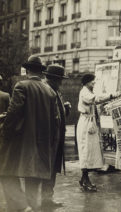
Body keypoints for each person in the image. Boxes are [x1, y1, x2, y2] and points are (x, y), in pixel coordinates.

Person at [0, 56, 58, 212]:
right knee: (33, 180)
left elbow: (14, 113)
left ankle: (22, 207)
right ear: (41, 71)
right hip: (42, 145)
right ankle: (31, 207)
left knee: (5, 172)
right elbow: (56, 120)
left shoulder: (22, 86)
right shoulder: (50, 90)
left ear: (27, 70)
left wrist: (5, 133)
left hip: (22, 142)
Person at [76, 73, 116, 191]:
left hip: (90, 122)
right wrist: (111, 95)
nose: (94, 82)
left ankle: (84, 178)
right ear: (87, 82)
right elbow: (94, 99)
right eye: (92, 81)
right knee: (86, 151)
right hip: (86, 123)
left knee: (90, 151)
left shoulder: (89, 91)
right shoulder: (84, 92)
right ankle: (85, 179)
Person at [42, 64, 71, 208]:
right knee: (47, 169)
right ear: (52, 78)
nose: (61, 82)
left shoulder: (55, 90)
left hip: (56, 137)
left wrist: (65, 110)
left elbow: (57, 116)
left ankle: (47, 198)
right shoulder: (46, 90)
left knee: (53, 168)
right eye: (59, 79)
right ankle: (44, 200)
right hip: (48, 139)